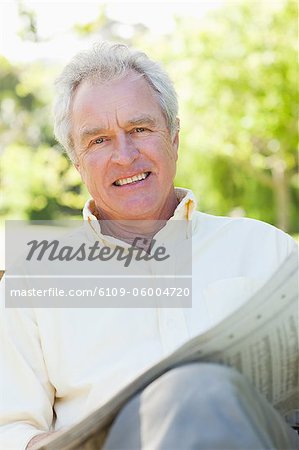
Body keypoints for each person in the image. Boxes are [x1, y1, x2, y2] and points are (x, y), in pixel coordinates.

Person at [0, 42, 298, 450]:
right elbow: (9, 433)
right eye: (99, 141)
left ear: (174, 138)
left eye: (140, 129)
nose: (124, 156)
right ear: (77, 163)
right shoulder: (33, 280)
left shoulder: (268, 250)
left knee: (203, 389)